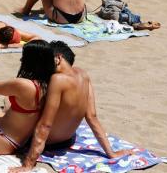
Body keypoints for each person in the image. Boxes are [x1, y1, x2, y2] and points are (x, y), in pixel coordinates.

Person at [9, 41, 130, 172]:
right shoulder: (83, 74)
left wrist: (28, 164)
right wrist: (111, 153)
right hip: (68, 140)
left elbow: (45, 125)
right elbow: (92, 116)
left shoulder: (57, 79)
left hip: (48, 144)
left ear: (58, 58)